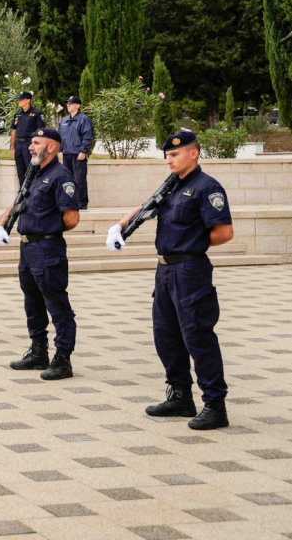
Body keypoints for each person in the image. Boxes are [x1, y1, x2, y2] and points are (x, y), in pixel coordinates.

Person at [107, 131, 232, 430]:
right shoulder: (172, 185)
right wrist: (120, 225)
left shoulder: (207, 187)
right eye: (167, 155)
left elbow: (224, 232)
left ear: (193, 153)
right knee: (167, 335)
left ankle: (215, 405)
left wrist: (192, 243)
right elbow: (148, 205)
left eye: (175, 154)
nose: (169, 160)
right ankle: (180, 396)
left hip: (190, 270)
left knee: (197, 337)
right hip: (165, 271)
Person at [0, 128, 79, 381]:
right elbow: (19, 200)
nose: (30, 147)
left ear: (51, 147)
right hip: (28, 248)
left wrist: (47, 228)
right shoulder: (35, 173)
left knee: (57, 305)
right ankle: (38, 351)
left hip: (47, 248)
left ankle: (63, 359)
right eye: (31, 142)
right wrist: (2, 224)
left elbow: (72, 218)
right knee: (32, 302)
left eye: (36, 143)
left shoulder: (60, 176)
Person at [58, 95, 93, 210]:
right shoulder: (64, 120)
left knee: (79, 178)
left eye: (71, 103)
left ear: (77, 105)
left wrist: (83, 151)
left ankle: (82, 202)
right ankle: (70, 201)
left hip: (78, 154)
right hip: (66, 154)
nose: (68, 105)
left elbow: (87, 136)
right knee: (68, 179)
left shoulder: (84, 119)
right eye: (67, 103)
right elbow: (59, 137)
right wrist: (60, 150)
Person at [10, 91, 46, 185]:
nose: (19, 101)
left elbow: (40, 132)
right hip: (19, 145)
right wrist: (12, 148)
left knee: (31, 171)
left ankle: (32, 192)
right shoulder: (17, 114)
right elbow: (14, 131)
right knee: (20, 171)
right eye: (18, 99)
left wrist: (37, 147)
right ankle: (22, 192)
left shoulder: (36, 113)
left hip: (30, 145)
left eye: (21, 99)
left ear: (28, 100)